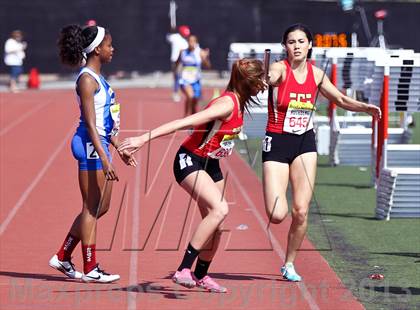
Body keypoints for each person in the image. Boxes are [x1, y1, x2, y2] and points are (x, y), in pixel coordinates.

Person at [118, 58, 266, 293]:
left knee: (217, 225)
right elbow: (183, 122)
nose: (263, 86)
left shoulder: (240, 100)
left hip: (211, 164)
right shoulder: (226, 105)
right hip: (189, 160)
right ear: (249, 82)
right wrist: (142, 139)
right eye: (260, 81)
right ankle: (183, 269)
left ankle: (200, 275)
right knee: (221, 209)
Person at [263, 23, 381, 282]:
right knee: (277, 213)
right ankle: (277, 200)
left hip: (305, 143)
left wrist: (365, 107)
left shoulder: (317, 75)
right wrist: (264, 79)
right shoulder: (279, 69)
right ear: (285, 46)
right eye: (291, 42)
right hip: (277, 141)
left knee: (301, 211)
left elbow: (340, 99)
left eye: (301, 41)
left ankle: (289, 264)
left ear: (309, 45)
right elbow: (268, 77)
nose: (296, 46)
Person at [49, 24, 136, 283]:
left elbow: (106, 120)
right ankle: (90, 268)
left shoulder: (99, 78)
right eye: (109, 45)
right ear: (97, 49)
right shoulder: (87, 79)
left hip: (99, 144)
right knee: (91, 208)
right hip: (89, 144)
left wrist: (118, 147)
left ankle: (63, 256)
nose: (113, 49)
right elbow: (89, 122)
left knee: (101, 207)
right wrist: (104, 155)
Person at [176, 34, 211, 116]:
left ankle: (192, 122)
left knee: (194, 102)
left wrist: (205, 58)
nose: (191, 43)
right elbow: (177, 62)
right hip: (185, 80)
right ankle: (185, 116)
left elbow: (208, 66)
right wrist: (176, 72)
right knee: (190, 96)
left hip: (196, 80)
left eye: (193, 41)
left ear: (196, 42)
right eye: (189, 41)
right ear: (187, 42)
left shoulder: (200, 52)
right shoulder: (183, 52)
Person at [166, 25, 190, 102]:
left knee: (181, 77)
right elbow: (168, 37)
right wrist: (172, 30)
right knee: (177, 77)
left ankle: (182, 92)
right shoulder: (175, 37)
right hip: (176, 61)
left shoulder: (185, 42)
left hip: (183, 62)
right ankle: (176, 93)